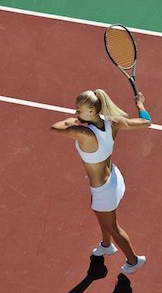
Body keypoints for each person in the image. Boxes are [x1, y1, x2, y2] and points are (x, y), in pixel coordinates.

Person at [51, 89, 152, 275]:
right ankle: (106, 245)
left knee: (113, 227)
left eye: (79, 110)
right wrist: (140, 104)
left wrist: (69, 121)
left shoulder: (83, 133)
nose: (76, 114)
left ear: (91, 110)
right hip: (114, 178)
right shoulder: (113, 122)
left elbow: (55, 127)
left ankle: (134, 260)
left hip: (104, 190)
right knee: (99, 212)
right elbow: (146, 122)